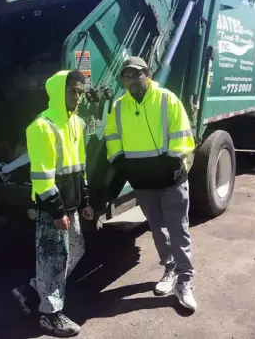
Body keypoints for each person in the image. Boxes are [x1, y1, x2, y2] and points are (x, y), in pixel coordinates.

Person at [104, 56, 197, 311]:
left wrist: (169, 163)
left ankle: (185, 281)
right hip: (143, 184)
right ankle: (169, 271)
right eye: (127, 76)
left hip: (171, 181)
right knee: (158, 230)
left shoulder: (167, 99)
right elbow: (111, 135)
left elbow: (183, 135)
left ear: (147, 74)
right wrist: (120, 161)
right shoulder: (119, 106)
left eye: (137, 74)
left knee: (179, 231)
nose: (132, 80)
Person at [12, 69, 94, 337]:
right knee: (54, 259)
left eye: (81, 92)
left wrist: (85, 200)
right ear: (59, 91)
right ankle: (50, 315)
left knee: (76, 248)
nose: (78, 96)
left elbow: (80, 167)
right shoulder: (42, 126)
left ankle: (34, 288)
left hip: (71, 204)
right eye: (73, 91)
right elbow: (42, 177)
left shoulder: (77, 124)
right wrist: (56, 210)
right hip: (52, 208)